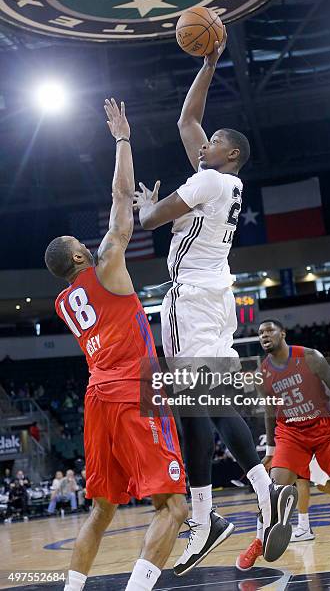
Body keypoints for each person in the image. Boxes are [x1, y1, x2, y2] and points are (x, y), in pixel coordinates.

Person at [134, 27, 297, 575]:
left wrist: (152, 205)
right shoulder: (222, 184)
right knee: (193, 407)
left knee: (204, 401)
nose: (199, 145)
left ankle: (260, 492)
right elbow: (186, 120)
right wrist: (210, 62)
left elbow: (147, 221)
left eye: (210, 143)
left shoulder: (208, 182)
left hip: (190, 301)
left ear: (228, 153)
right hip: (216, 297)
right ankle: (206, 519)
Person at [44, 98, 187, 591]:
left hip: (97, 398)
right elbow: (120, 196)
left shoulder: (65, 303)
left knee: (102, 509)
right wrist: (123, 139)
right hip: (133, 388)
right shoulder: (106, 264)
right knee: (174, 506)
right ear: (81, 254)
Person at [236, 319, 330, 566]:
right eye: (260, 333)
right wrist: (271, 450)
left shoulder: (309, 357)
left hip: (325, 427)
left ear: (282, 333)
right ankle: (259, 541)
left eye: (269, 330)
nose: (264, 335)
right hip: (291, 433)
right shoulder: (262, 373)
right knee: (271, 490)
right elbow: (270, 412)